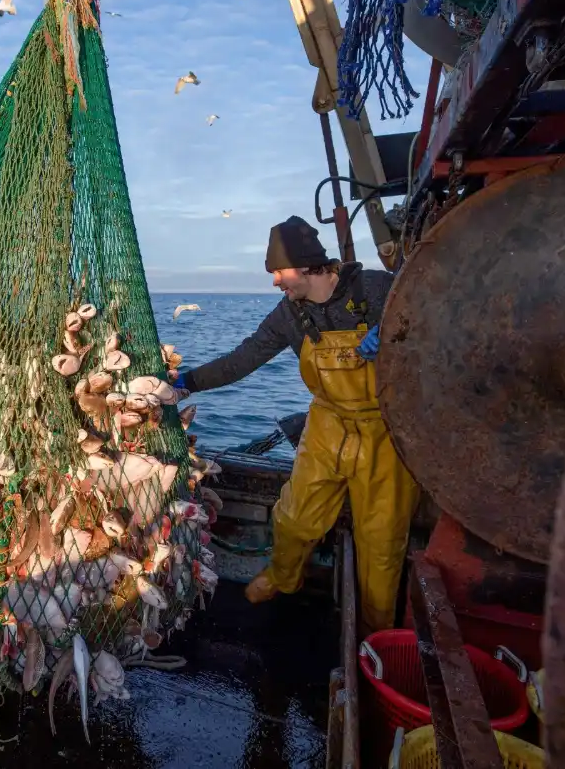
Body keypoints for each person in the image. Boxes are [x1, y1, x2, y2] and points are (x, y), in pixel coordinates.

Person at [173, 216, 419, 631]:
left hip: (386, 429)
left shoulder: (379, 289)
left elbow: (431, 315)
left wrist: (395, 330)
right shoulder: (289, 314)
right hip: (328, 424)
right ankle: (284, 578)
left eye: (278, 272)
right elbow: (243, 359)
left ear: (306, 266)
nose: (274, 283)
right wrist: (187, 381)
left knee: (381, 545)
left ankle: (376, 633)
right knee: (292, 517)